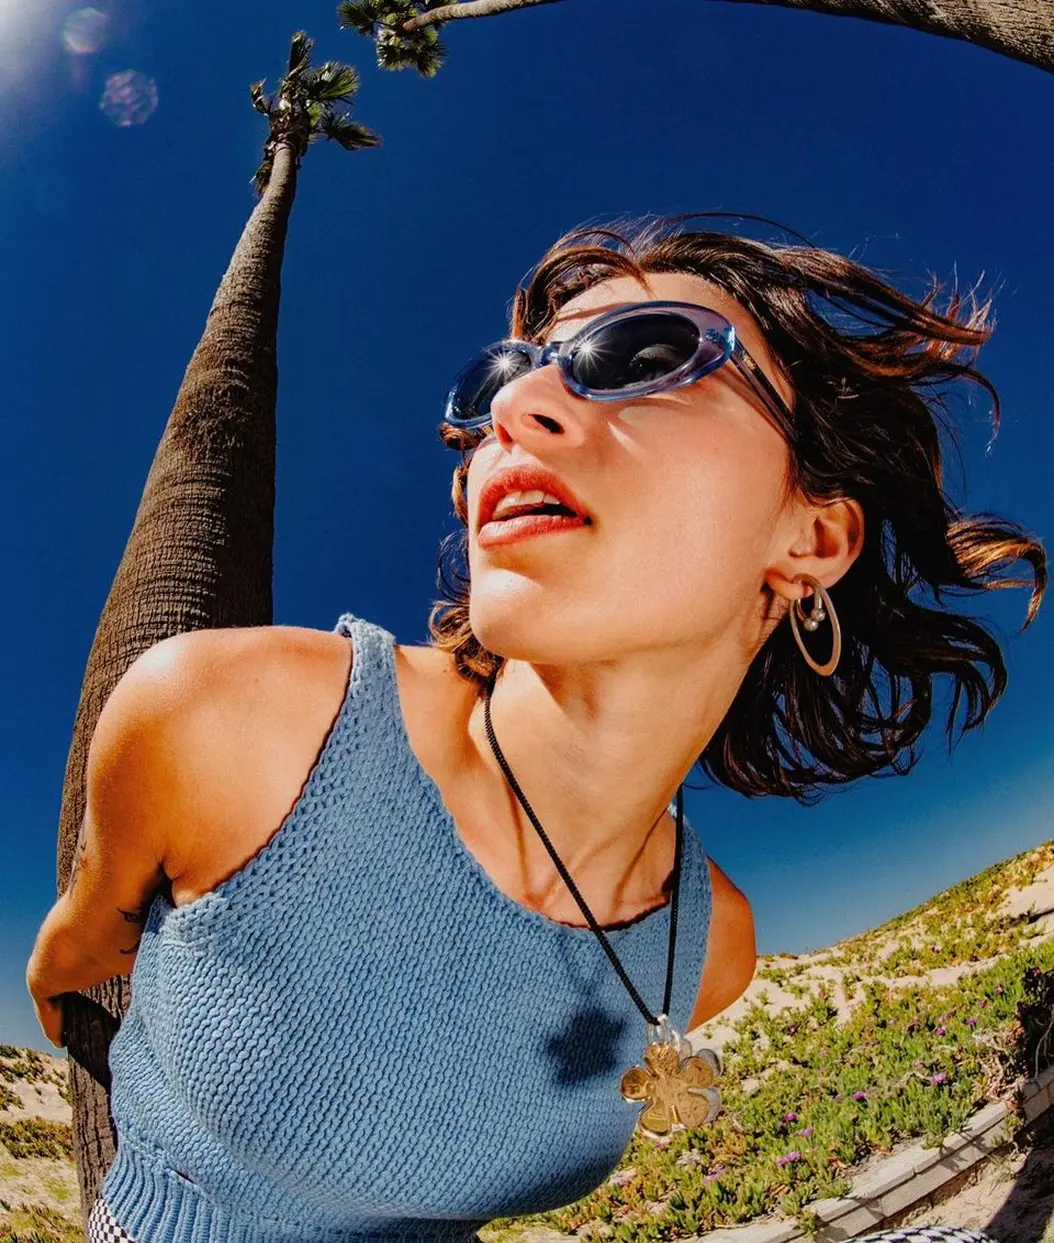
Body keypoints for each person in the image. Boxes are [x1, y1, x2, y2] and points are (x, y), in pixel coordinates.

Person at [27, 217, 1042, 1243]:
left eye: (646, 354)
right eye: (495, 381)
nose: (513, 405)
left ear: (811, 536)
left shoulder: (709, 948)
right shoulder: (230, 718)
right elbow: (76, 947)